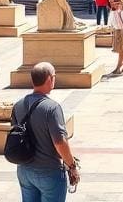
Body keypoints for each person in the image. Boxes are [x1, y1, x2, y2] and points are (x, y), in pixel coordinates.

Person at [12, 62, 80, 202]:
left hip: (25, 170)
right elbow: (60, 142)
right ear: (49, 79)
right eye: (54, 76)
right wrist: (72, 165)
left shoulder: (18, 105)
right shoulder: (52, 108)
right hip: (48, 172)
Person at [108, 0, 123, 75]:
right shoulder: (112, 13)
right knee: (119, 49)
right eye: (113, 4)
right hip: (116, 32)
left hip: (121, 32)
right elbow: (110, 23)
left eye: (117, 4)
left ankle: (118, 67)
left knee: (121, 49)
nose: (115, 5)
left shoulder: (121, 13)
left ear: (119, 4)